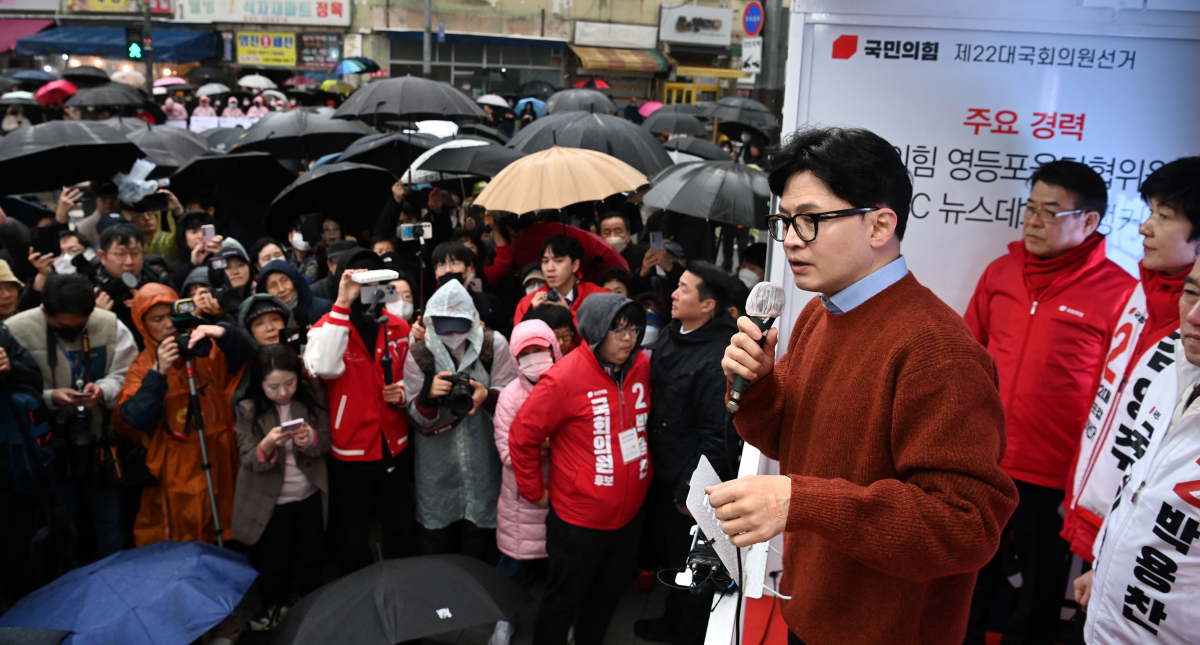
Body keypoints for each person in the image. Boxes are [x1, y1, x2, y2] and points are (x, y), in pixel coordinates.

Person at [714, 126, 1018, 645]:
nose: (791, 239)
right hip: (811, 608)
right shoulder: (818, 314)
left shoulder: (937, 349)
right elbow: (789, 440)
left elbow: (966, 524)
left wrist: (802, 501)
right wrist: (759, 386)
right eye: (784, 221)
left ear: (879, 225)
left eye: (810, 220)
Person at [962, 160, 1138, 643]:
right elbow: (968, 356)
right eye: (1031, 207)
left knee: (1040, 589)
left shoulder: (1122, 294)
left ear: (1089, 220)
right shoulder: (1000, 272)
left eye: (1050, 211)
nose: (1033, 220)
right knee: (969, 576)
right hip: (987, 457)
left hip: (1055, 470)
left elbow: (1120, 395)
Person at [1062, 157, 1200, 576]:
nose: (1144, 228)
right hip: (1094, 506)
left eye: (1164, 216)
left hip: (1146, 545)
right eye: (1150, 212)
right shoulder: (1139, 293)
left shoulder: (1190, 330)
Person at [1070, 253, 1200, 643]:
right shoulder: (1167, 368)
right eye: (1192, 293)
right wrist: (1104, 566)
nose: (1194, 316)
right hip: (1110, 621)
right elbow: (1134, 487)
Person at [509, 292, 651, 645]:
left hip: (629, 516)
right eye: (618, 330)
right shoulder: (563, 378)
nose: (628, 338)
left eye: (633, 329)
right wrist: (534, 492)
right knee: (562, 601)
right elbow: (522, 436)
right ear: (596, 331)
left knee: (606, 599)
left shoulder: (641, 366)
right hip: (579, 522)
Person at [634, 262, 740, 645]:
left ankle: (687, 634)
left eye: (683, 288)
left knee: (691, 567)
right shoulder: (672, 332)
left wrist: (688, 491)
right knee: (670, 558)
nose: (674, 294)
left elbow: (717, 436)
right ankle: (670, 621)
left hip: (688, 484)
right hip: (661, 471)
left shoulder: (716, 358)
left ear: (708, 305)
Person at [6, 274, 138, 562]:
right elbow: (13, 388)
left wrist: (104, 390)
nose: (73, 332)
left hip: (100, 444)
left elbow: (129, 374)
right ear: (45, 312)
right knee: (59, 527)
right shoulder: (16, 329)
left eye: (81, 325)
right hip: (45, 450)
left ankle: (111, 576)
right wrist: (50, 397)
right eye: (63, 328)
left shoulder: (109, 324)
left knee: (111, 523)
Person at [113, 282, 255, 546]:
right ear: (143, 324)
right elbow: (133, 418)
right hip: (176, 463)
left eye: (171, 315)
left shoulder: (205, 348)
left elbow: (245, 361)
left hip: (222, 455)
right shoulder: (142, 365)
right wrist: (157, 373)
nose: (167, 325)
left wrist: (223, 331)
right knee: (185, 531)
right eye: (157, 319)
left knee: (231, 526)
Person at [303, 254, 413, 574]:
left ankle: (403, 586)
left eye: (377, 281)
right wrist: (341, 304)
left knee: (400, 530)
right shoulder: (326, 327)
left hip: (394, 444)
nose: (370, 289)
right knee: (352, 537)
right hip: (350, 451)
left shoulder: (399, 327)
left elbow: (414, 377)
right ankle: (359, 590)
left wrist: (404, 392)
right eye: (363, 282)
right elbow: (323, 369)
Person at [404, 279, 515, 559]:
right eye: (446, 328)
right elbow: (415, 417)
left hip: (483, 461)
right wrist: (427, 396)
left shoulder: (494, 346)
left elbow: (513, 400)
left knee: (481, 545)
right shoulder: (419, 352)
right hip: (436, 467)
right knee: (437, 543)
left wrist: (486, 396)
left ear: (473, 320)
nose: (453, 334)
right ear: (431, 322)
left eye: (459, 327)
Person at [233, 344, 330, 631]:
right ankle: (273, 613)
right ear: (259, 383)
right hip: (272, 502)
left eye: (289, 382)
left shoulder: (312, 397)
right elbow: (248, 457)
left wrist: (309, 438)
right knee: (274, 562)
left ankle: (313, 611)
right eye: (273, 387)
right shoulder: (248, 408)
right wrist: (267, 445)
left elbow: (326, 442)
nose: (283, 392)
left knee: (312, 558)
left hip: (309, 494)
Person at [488, 319, 562, 645]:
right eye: (525, 353)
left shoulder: (567, 388)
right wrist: (545, 443)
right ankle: (505, 620)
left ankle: (559, 621)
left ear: (554, 350)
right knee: (512, 568)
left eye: (540, 350)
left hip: (562, 495)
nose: (534, 359)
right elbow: (507, 452)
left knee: (559, 570)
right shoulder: (509, 397)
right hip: (521, 501)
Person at [93, 223, 169, 350]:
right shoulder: (91, 287)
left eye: (135, 253)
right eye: (120, 254)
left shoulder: (159, 281)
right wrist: (97, 317)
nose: (129, 262)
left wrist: (152, 310)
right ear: (103, 257)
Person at [512, 235, 609, 328]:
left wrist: (569, 315)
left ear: (575, 265)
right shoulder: (528, 303)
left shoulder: (600, 297)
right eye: (545, 261)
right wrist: (533, 314)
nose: (550, 268)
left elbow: (604, 335)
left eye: (558, 261)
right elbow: (519, 337)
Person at [257, 260, 332, 329]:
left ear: (294, 281)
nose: (281, 289)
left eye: (284, 281)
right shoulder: (265, 317)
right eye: (273, 285)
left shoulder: (324, 308)